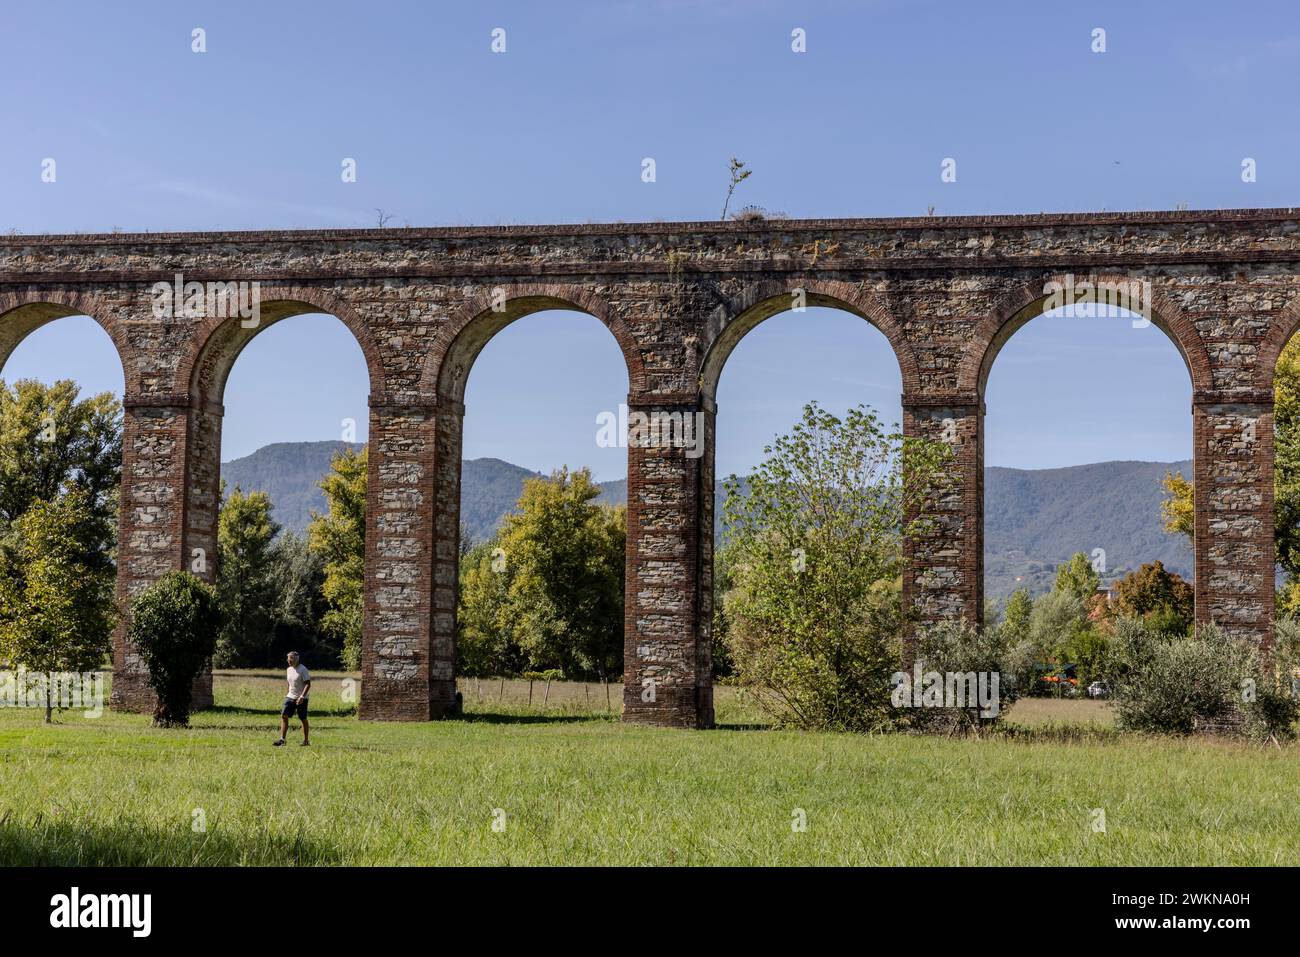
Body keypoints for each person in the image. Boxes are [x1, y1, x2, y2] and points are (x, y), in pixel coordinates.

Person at [274, 651, 311, 747]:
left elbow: (308, 684)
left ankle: (306, 740)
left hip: (302, 698)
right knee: (284, 715)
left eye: (291, 658)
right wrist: (287, 693)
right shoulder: (288, 669)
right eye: (288, 658)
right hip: (290, 696)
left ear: (296, 659)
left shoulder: (303, 669)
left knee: (303, 718)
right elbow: (289, 683)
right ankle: (282, 740)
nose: (289, 660)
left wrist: (302, 696)